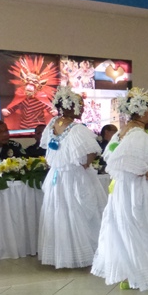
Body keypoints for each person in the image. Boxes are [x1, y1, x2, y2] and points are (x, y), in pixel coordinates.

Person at [91, 87, 148, 291]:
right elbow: (120, 159)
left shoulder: (124, 130)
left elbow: (110, 154)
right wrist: (145, 170)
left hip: (125, 188)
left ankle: (131, 271)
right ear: (143, 111)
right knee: (144, 226)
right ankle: (141, 272)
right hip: (136, 188)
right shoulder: (138, 134)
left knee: (128, 226)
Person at [38, 86, 107, 269]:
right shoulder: (77, 129)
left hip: (57, 176)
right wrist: (86, 164)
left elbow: (50, 148)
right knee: (80, 211)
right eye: (80, 105)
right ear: (70, 107)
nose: (82, 109)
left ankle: (64, 254)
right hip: (75, 176)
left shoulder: (53, 124)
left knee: (60, 211)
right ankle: (86, 253)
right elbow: (91, 152)